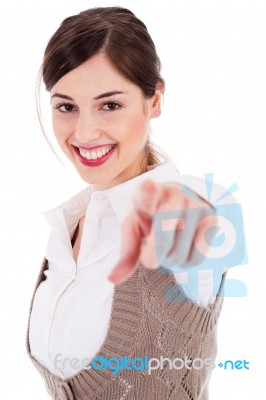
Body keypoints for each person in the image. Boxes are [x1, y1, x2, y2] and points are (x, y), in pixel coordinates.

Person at [25, 6, 229, 400]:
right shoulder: (68, 226)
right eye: (66, 106)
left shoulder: (182, 216)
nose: (83, 132)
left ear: (154, 101)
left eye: (110, 105)